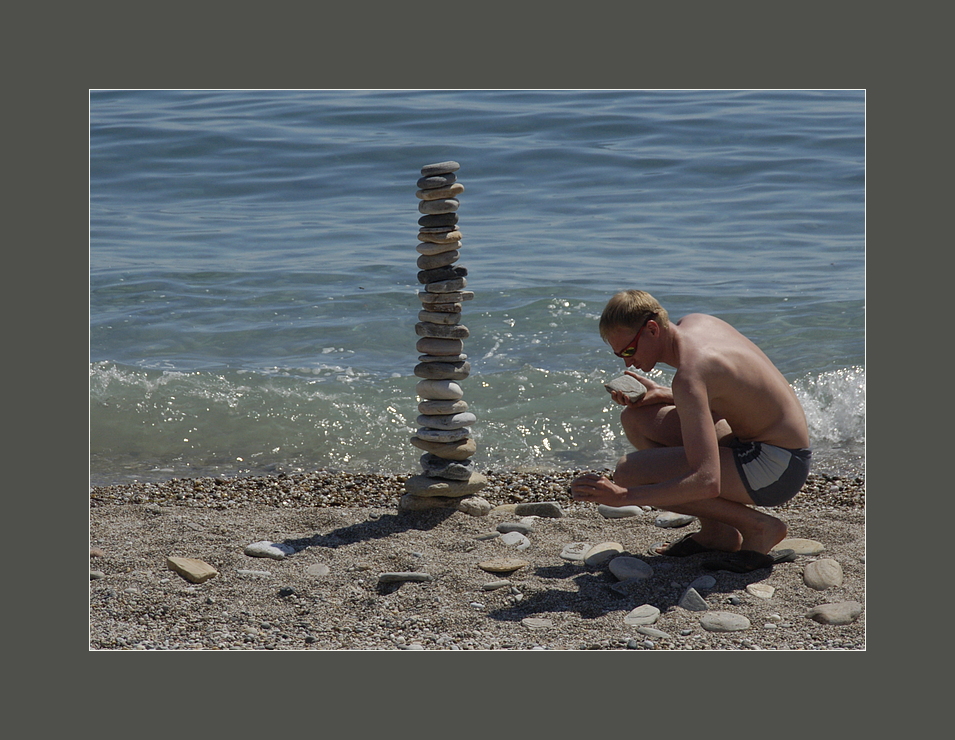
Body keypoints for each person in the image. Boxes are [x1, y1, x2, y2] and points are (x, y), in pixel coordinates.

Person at [570, 290, 812, 573]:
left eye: (629, 350)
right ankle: (718, 533)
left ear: (651, 329)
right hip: (776, 448)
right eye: (619, 354)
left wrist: (622, 496)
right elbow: (728, 395)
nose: (627, 363)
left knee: (629, 474)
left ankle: (760, 528)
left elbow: (706, 481)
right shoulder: (699, 323)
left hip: (777, 469)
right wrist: (661, 393)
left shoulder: (690, 375)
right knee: (637, 419)